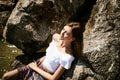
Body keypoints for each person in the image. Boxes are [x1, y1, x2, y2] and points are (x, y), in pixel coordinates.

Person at [2, 22, 83, 80]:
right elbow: (52, 50)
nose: (62, 33)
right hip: (37, 65)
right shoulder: (56, 38)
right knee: (6, 76)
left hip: (43, 76)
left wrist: (35, 67)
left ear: (72, 39)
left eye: (66, 33)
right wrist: (44, 57)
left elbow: (53, 78)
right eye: (63, 29)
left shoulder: (67, 56)